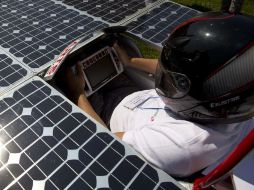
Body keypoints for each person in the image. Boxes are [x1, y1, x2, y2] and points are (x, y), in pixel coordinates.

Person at [62, 12, 254, 177]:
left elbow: (104, 141)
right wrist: (129, 61)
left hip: (106, 113)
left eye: (172, 81)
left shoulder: (181, 147)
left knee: (63, 81)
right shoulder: (235, 103)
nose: (164, 77)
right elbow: (186, 75)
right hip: (135, 95)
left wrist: (77, 92)